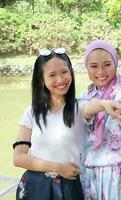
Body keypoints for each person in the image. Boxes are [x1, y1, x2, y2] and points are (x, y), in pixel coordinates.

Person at [13, 48, 85, 199]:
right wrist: (58, 168)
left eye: (65, 72)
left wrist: (118, 110)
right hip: (36, 187)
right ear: (41, 80)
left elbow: (100, 104)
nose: (60, 80)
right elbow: (18, 157)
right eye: (52, 75)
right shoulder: (31, 113)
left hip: (70, 187)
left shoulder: (81, 108)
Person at [79, 40, 121, 200]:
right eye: (94, 66)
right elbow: (82, 113)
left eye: (107, 64)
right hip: (88, 169)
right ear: (87, 68)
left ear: (115, 63)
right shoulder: (86, 95)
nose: (101, 71)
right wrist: (102, 105)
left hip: (115, 171)